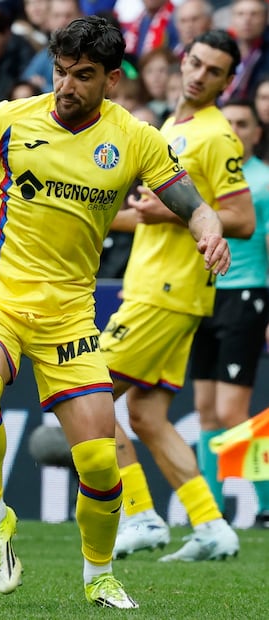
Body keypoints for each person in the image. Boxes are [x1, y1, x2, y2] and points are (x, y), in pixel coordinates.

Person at [0, 16, 230, 608]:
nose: (67, 86)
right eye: (61, 72)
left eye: (83, 76)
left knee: (98, 462)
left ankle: (99, 577)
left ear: (113, 81)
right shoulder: (9, 120)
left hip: (70, 315)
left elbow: (193, 203)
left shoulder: (137, 138)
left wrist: (210, 231)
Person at [103, 30, 252, 562]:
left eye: (214, 71)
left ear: (227, 81)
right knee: (145, 415)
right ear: (181, 61)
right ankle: (213, 527)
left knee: (86, 396)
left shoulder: (216, 135)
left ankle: (140, 513)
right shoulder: (171, 126)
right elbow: (150, 217)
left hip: (165, 293)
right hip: (160, 290)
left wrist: (167, 211)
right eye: (194, 63)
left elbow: (241, 218)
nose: (198, 75)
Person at [191, 98, 269, 528]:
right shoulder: (208, 178)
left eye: (244, 123)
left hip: (246, 294)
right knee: (204, 408)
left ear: (258, 132)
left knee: (230, 412)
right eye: (229, 123)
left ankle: (265, 504)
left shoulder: (265, 180)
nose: (236, 129)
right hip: (203, 294)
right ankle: (212, 512)